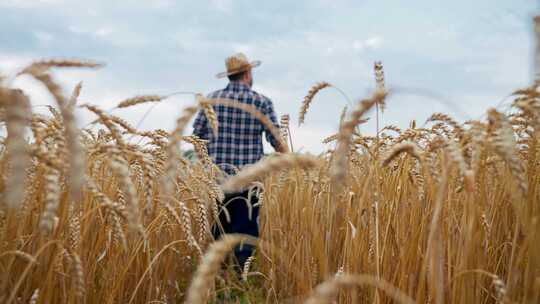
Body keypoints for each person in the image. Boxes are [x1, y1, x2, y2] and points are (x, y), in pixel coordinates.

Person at [192, 53, 286, 270]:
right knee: (245, 234)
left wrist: (207, 166)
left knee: (219, 234)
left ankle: (218, 282)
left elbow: (196, 138)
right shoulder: (261, 102)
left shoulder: (211, 101)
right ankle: (241, 282)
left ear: (230, 75)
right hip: (249, 183)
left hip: (217, 181)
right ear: (247, 73)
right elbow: (277, 142)